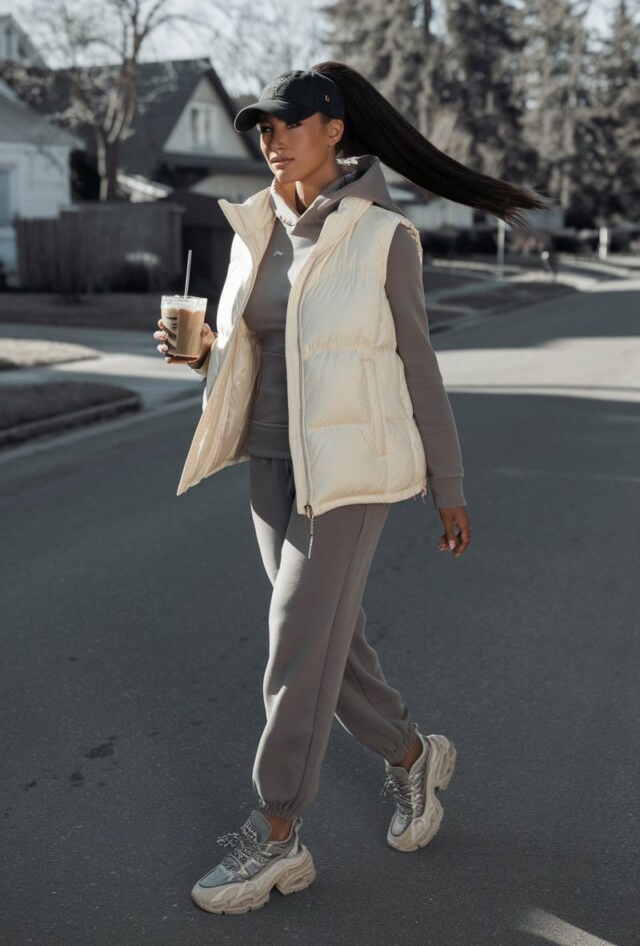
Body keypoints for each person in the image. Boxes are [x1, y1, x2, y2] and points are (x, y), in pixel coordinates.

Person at [153, 64, 551, 915]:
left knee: (296, 643)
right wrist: (202, 356)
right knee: (329, 644)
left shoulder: (383, 236)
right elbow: (251, 356)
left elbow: (419, 365)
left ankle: (276, 834)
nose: (271, 141)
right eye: (262, 128)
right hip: (269, 461)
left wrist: (448, 482)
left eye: (287, 124)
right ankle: (412, 755)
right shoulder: (254, 226)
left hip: (350, 472)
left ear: (334, 130)